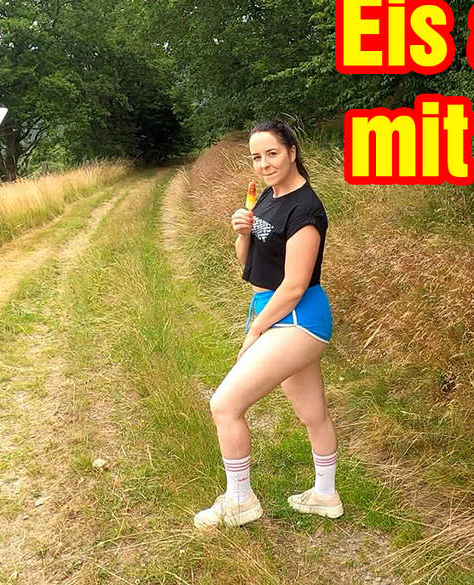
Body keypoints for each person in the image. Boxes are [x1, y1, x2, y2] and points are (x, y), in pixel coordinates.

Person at [194, 120, 343, 529]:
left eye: (272, 154)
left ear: (292, 152)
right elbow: (250, 263)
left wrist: (256, 330)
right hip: (275, 310)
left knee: (225, 405)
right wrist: (242, 233)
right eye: (256, 157)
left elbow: (294, 285)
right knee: (312, 413)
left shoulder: (305, 209)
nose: (264, 164)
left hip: (297, 317)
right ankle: (325, 494)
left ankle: (240, 501)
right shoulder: (267, 197)